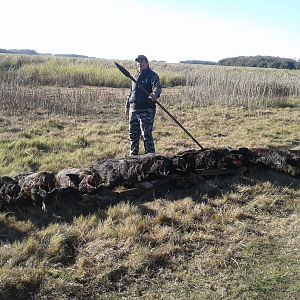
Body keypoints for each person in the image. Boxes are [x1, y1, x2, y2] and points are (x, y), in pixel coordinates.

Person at [125, 55, 162, 156]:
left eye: (142, 61)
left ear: (147, 63)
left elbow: (157, 87)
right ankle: (133, 158)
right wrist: (127, 107)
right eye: (138, 62)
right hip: (134, 109)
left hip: (146, 109)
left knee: (146, 134)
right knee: (133, 135)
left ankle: (150, 159)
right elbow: (131, 93)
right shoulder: (134, 77)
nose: (139, 63)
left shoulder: (152, 76)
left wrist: (155, 95)